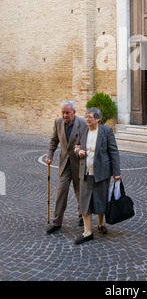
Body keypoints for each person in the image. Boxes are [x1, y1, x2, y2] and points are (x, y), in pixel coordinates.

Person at [74, 107, 121, 245]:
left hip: (101, 172)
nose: (87, 119)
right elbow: (76, 146)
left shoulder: (106, 131)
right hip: (85, 171)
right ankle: (87, 232)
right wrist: (78, 152)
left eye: (90, 116)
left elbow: (114, 152)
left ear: (98, 119)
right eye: (86, 116)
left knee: (101, 199)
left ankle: (101, 224)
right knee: (85, 201)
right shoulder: (83, 130)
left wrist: (116, 172)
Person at [45, 100, 87, 234]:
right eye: (63, 112)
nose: (65, 115)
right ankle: (56, 222)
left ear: (74, 112)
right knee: (61, 191)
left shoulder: (82, 124)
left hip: (78, 163)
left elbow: (87, 142)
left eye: (67, 112)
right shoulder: (58, 123)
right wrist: (49, 155)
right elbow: (53, 141)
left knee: (80, 191)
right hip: (64, 164)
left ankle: (83, 216)